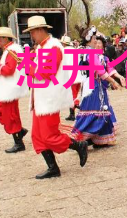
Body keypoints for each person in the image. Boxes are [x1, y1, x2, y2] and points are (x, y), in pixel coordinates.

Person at [23, 16, 88, 179]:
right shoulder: (43, 46)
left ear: (39, 30)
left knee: (49, 135)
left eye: (32, 32)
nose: (32, 36)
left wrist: (29, 67)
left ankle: (78, 145)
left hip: (49, 98)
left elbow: (46, 72)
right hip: (42, 97)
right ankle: (53, 167)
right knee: (37, 136)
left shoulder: (53, 46)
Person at [72, 27, 124, 148]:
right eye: (95, 39)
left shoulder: (89, 53)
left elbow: (107, 69)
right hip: (93, 85)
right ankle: (79, 136)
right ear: (89, 39)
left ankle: (99, 137)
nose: (97, 41)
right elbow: (100, 71)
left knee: (101, 110)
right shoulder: (90, 53)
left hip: (94, 84)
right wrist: (113, 81)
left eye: (98, 40)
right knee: (94, 110)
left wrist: (117, 77)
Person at [0, 27, 29, 153]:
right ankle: (20, 133)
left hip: (10, 88)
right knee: (10, 114)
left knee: (10, 116)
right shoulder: (10, 49)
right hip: (10, 88)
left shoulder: (11, 50)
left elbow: (9, 70)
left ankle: (19, 141)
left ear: (5, 38)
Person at [60, 36, 83, 122]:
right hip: (78, 75)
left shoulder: (63, 51)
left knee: (71, 95)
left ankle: (76, 107)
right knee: (75, 94)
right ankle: (72, 113)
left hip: (69, 76)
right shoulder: (75, 50)